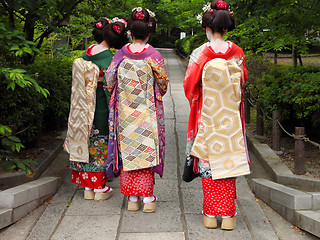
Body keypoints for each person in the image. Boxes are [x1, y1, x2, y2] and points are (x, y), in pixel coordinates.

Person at [183, 0, 250, 230]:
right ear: (227, 28)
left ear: (207, 29)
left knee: (209, 159)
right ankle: (229, 216)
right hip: (230, 116)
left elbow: (189, 86)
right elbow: (242, 80)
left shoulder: (200, 53)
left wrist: (201, 96)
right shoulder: (237, 52)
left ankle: (210, 214)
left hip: (207, 115)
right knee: (228, 158)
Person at [105, 7, 168, 213]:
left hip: (125, 114)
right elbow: (163, 84)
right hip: (147, 112)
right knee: (146, 151)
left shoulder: (121, 55)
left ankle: (132, 198)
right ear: (149, 32)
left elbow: (109, 80)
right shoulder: (154, 55)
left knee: (129, 151)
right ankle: (148, 198)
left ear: (129, 32)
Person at [64, 17, 128, 201]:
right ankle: (99, 187)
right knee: (100, 144)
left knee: (88, 142)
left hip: (83, 107)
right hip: (100, 107)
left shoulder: (88, 52)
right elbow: (113, 85)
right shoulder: (109, 57)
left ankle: (87, 186)